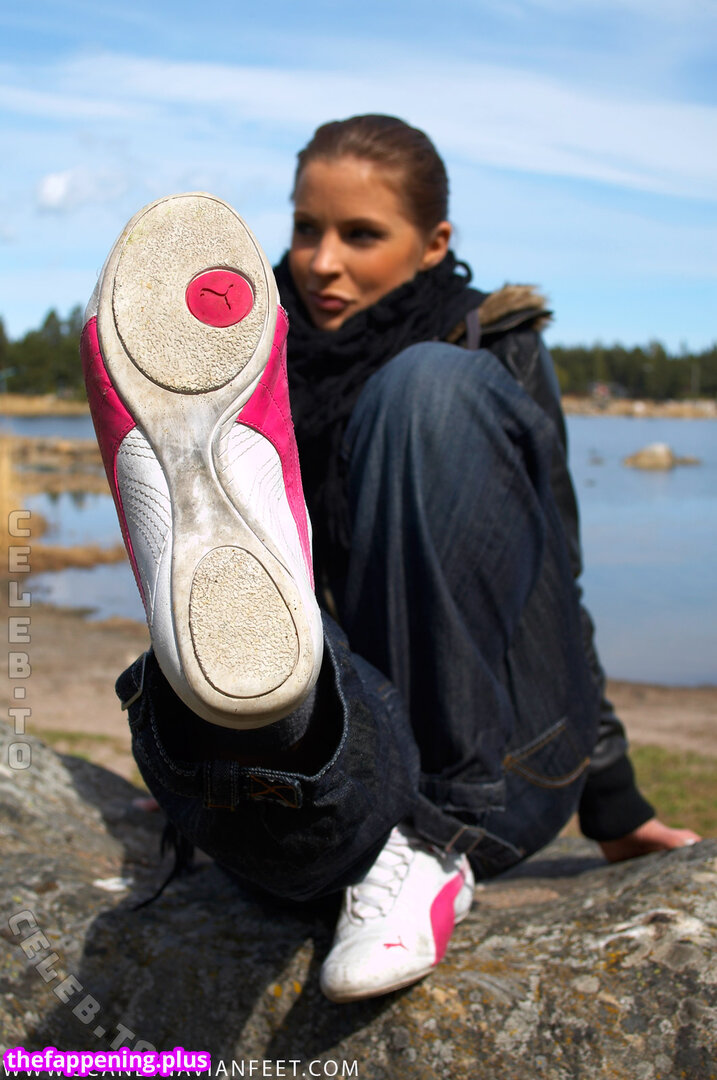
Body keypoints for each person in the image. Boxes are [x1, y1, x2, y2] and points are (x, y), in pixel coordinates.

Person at [81, 114, 699, 1005]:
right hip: (353, 737)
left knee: (423, 389)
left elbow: (551, 584)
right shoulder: (250, 337)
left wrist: (615, 805)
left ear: (432, 242)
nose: (321, 262)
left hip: (493, 760)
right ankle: (235, 733)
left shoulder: (489, 343)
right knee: (277, 758)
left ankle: (430, 840)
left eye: (360, 234)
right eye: (305, 228)